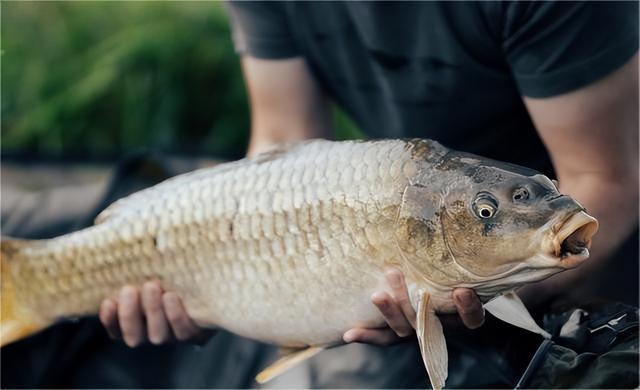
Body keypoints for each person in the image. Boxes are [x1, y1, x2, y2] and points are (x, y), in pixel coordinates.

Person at [99, 1, 638, 386]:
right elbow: (281, 142)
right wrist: (216, 277)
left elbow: (607, 178)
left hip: (578, 250)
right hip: (401, 209)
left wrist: (484, 293)